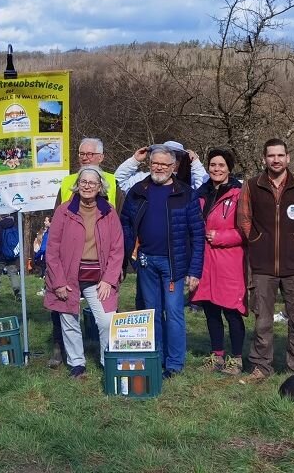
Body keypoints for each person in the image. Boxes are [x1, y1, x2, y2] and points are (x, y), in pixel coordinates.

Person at [121, 145, 204, 377]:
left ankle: (174, 364)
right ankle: (154, 357)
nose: (159, 168)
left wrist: (195, 270)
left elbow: (197, 234)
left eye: (164, 164)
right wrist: (129, 256)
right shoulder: (138, 190)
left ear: (173, 167)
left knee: (174, 312)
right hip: (146, 261)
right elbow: (125, 224)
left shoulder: (186, 193)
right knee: (151, 313)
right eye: (155, 163)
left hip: (174, 264)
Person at [237, 138, 294, 380]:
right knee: (262, 321)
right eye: (271, 156)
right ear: (264, 159)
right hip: (262, 266)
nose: (276, 160)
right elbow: (244, 220)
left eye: (280, 155)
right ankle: (261, 367)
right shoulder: (251, 186)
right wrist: (259, 240)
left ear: (288, 158)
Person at [45, 166, 123, 377]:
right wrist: (58, 282)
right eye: (83, 182)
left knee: (107, 320)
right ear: (77, 185)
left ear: (100, 187)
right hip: (68, 276)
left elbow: (117, 249)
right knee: (69, 318)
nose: (87, 186)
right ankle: (77, 363)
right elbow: (52, 249)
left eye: (92, 183)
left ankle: (108, 361)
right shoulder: (64, 210)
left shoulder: (108, 211)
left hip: (99, 278)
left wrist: (109, 280)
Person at [189, 148, 246, 376]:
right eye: (213, 165)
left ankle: (238, 358)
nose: (216, 169)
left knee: (231, 311)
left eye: (221, 165)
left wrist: (222, 237)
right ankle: (217, 355)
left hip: (229, 261)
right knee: (210, 310)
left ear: (229, 168)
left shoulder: (239, 194)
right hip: (205, 261)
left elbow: (247, 230)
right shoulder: (200, 194)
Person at [114, 141, 208, 193]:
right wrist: (134, 160)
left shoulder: (187, 184)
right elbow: (118, 181)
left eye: (176, 157)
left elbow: (204, 187)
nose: (161, 166)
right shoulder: (143, 179)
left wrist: (196, 164)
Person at [59, 138, 118, 204]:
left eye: (90, 154)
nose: (84, 158)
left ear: (100, 157)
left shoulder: (113, 182)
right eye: (82, 154)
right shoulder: (67, 181)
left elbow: (120, 212)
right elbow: (58, 212)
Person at [0, 214, 22, 301]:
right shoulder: (14, 224)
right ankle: (17, 293)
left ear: (0, 216)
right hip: (11, 254)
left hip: (0, 254)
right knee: (13, 274)